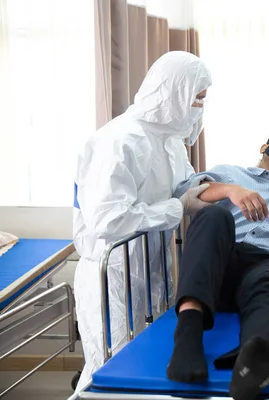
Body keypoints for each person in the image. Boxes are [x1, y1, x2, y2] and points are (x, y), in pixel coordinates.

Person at [73, 51, 212, 392]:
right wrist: (178, 207)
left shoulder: (168, 141)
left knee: (145, 374)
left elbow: (186, 185)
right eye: (198, 99)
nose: (200, 109)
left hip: (149, 274)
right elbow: (109, 218)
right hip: (113, 279)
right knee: (109, 375)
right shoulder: (119, 141)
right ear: (174, 92)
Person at [167, 126, 269, 400]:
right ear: (264, 147)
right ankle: (188, 337)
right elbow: (183, 194)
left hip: (266, 265)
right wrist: (229, 191)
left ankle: (255, 358)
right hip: (219, 261)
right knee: (215, 217)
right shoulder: (230, 174)